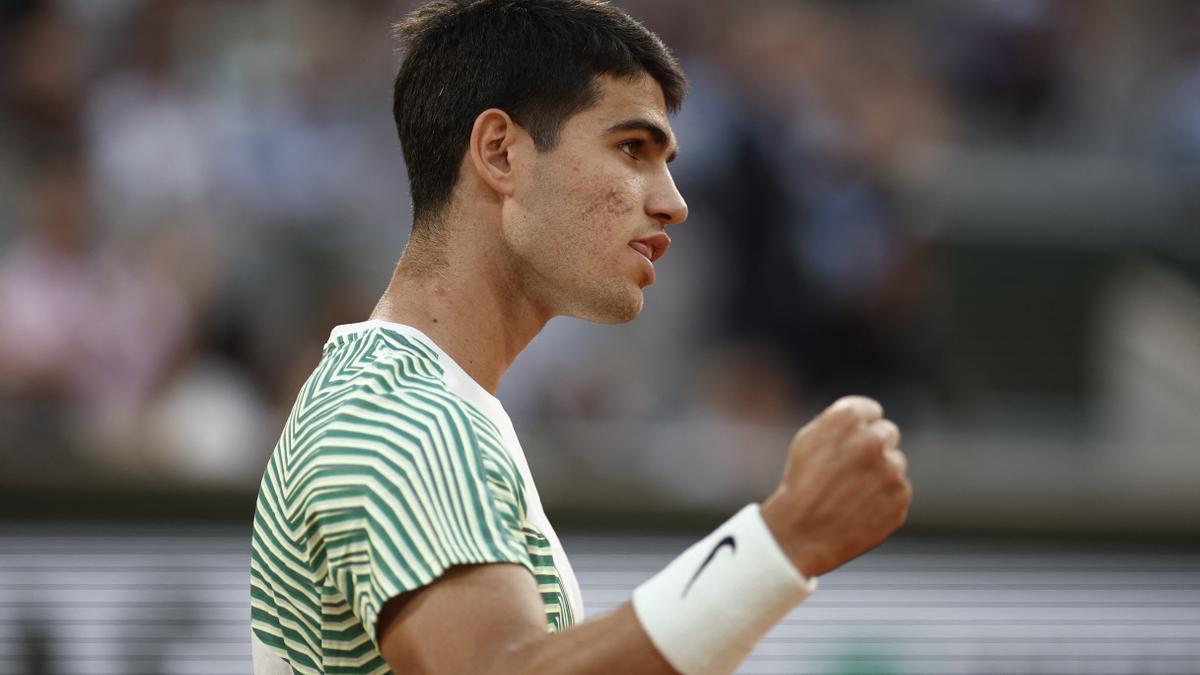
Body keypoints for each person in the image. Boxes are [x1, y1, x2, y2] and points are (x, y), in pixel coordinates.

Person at [248, 1, 912, 673]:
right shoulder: (403, 415)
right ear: (501, 152)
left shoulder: (418, 402)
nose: (673, 201)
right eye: (632, 149)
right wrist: (783, 540)